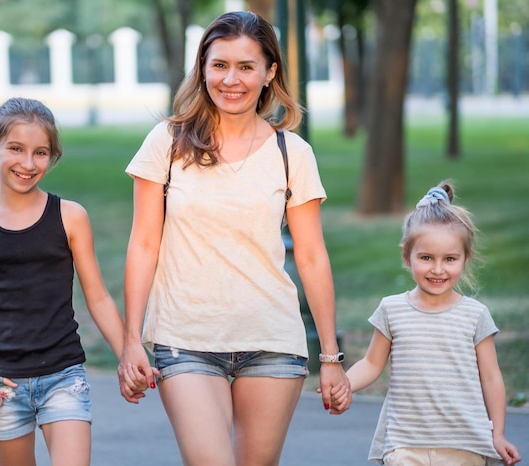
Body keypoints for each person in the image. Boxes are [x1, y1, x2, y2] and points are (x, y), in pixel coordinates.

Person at [117, 10, 350, 466]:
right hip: (185, 339)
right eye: (219, 64)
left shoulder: (292, 153)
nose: (231, 79)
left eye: (246, 66)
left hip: (273, 340)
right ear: (202, 68)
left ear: (270, 73)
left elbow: (311, 256)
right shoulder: (166, 143)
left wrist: (331, 356)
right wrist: (131, 340)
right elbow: (143, 244)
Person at [0, 97, 131, 466]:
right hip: (2, 386)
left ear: (51, 156)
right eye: (16, 149)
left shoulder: (71, 217)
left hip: (64, 377)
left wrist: (127, 356)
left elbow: (100, 299)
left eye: (40, 152)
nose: (28, 163)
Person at [330, 181, 522, 466]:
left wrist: (498, 434)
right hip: (405, 443)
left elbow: (491, 378)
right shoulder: (391, 309)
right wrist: (344, 384)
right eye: (426, 257)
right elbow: (371, 364)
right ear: (407, 256)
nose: (437, 268)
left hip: (465, 444)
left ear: (464, 260)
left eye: (450, 259)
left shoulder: (475, 315)